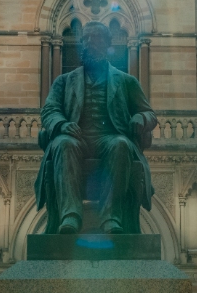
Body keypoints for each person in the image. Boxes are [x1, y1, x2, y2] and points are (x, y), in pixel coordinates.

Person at [34, 21, 157, 234]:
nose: (91, 43)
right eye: (86, 39)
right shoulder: (64, 82)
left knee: (120, 144)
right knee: (63, 144)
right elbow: (49, 110)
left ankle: (111, 218)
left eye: (97, 38)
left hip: (109, 138)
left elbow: (149, 113)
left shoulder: (126, 81)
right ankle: (69, 216)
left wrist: (140, 118)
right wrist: (62, 124)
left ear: (108, 43)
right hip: (75, 139)